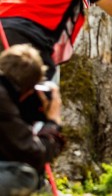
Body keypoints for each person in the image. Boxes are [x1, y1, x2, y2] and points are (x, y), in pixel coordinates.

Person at [0, 44, 65, 196]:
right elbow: (34, 154)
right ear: (28, 88)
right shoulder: (2, 99)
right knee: (26, 177)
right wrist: (53, 123)